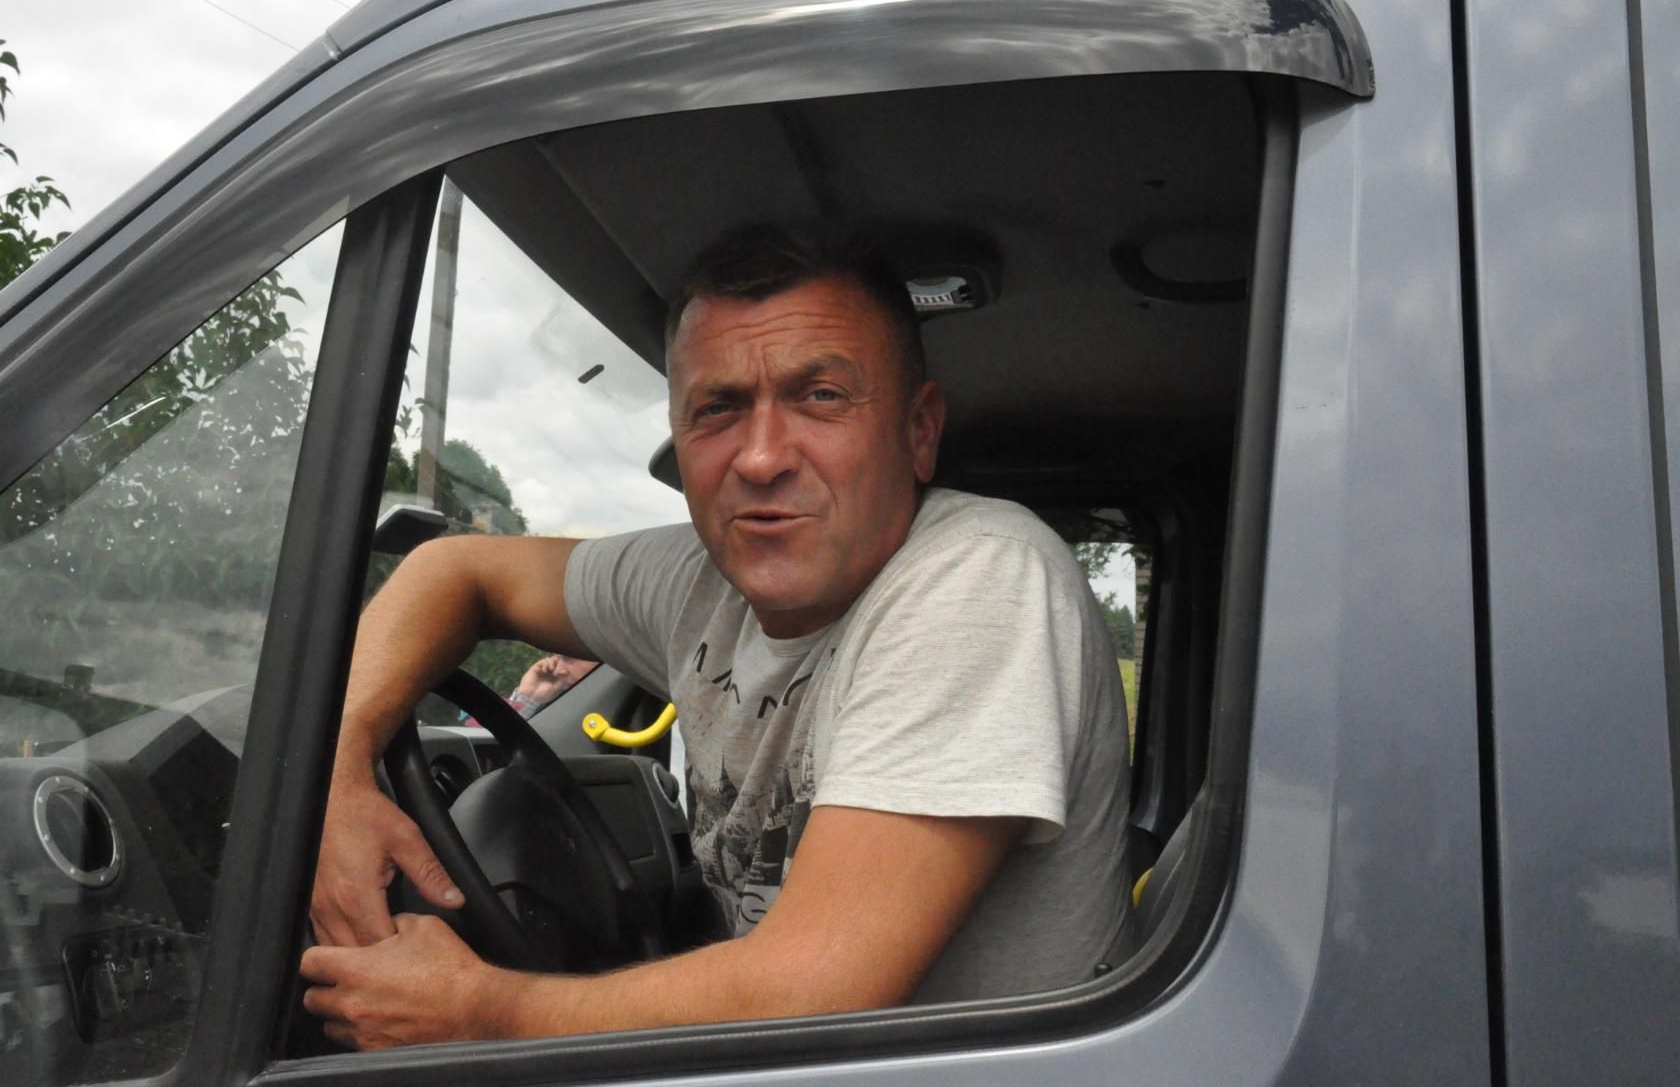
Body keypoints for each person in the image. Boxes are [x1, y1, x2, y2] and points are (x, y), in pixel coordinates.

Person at [301, 225, 1131, 1049]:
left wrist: (482, 1011)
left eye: (821, 396)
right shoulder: (697, 582)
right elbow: (454, 571)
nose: (761, 458)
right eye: (719, 408)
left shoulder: (982, 575)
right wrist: (333, 773)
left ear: (919, 431)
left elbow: (814, 990)